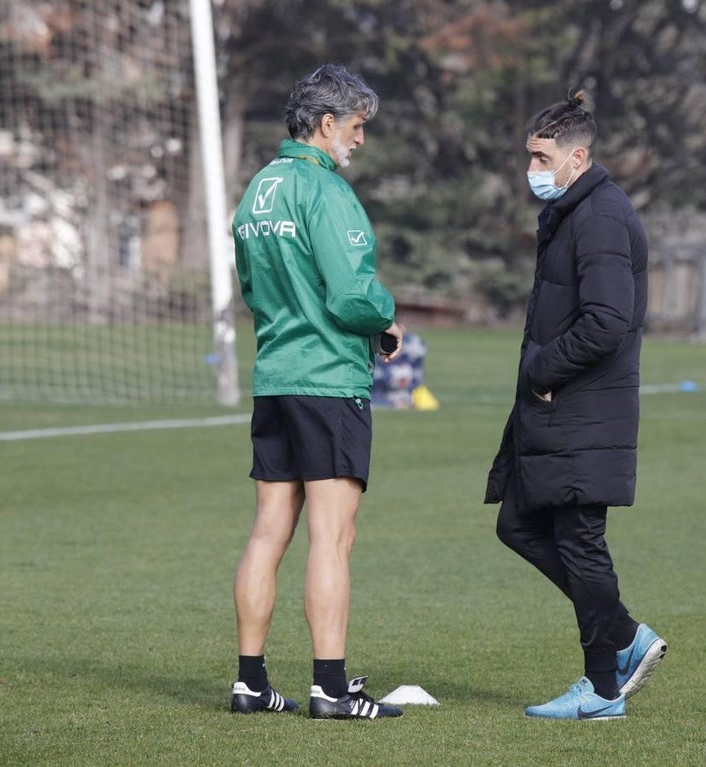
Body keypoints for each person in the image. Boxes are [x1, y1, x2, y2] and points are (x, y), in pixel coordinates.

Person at [228, 64, 404, 720]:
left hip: (275, 377)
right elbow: (353, 293)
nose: (360, 140)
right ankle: (330, 685)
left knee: (268, 530)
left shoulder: (258, 191)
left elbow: (251, 286)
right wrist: (386, 319)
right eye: (356, 127)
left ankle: (251, 679)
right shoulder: (325, 192)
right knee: (332, 536)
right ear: (326, 123)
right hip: (329, 381)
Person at [485, 90, 667, 720]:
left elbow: (608, 320)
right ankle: (623, 635)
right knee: (517, 524)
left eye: (540, 157)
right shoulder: (570, 212)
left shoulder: (599, 216)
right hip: (559, 409)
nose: (531, 169)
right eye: (529, 156)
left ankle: (603, 689)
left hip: (582, 409)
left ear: (577, 155)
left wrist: (540, 368)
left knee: (581, 540)